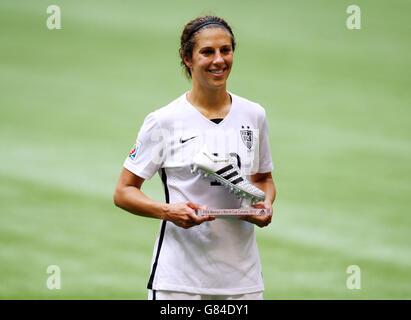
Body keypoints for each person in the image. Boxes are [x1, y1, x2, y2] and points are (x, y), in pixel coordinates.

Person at [114, 16, 276, 300]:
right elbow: (124, 192)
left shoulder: (254, 115)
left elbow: (263, 179)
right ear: (187, 58)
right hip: (179, 281)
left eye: (226, 50)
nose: (219, 60)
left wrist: (265, 203)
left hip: (242, 281)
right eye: (207, 52)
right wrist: (168, 211)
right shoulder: (163, 121)